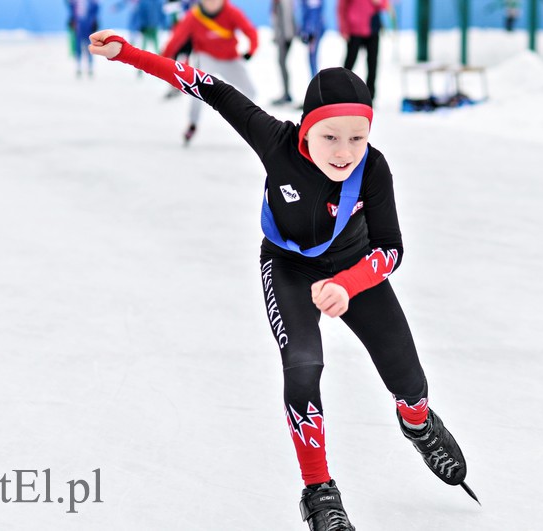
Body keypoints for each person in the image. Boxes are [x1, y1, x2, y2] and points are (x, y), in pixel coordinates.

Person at [89, 28, 476, 531]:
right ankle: (319, 492)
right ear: (306, 130)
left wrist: (348, 283)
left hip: (353, 268)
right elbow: (208, 86)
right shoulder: (274, 140)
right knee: (303, 365)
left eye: (357, 137)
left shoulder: (374, 170)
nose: (344, 152)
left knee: (407, 376)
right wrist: (129, 54)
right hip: (289, 267)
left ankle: (418, 423)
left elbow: (391, 248)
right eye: (330, 136)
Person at [159, 0, 258, 145]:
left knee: (251, 91)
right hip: (206, 58)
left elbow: (250, 31)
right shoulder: (193, 16)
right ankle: (192, 124)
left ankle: (249, 123)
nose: (211, 3)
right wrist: (162, 59)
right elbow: (177, 38)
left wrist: (251, 51)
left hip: (230, 58)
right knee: (197, 91)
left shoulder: (232, 12)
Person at [337, 0, 388, 100]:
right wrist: (343, 28)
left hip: (372, 28)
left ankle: (370, 96)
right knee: (349, 63)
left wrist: (379, 2)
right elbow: (342, 6)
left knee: (372, 64)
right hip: (354, 30)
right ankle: (342, 92)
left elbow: (384, 4)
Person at [271, 0, 297, 105]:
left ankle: (286, 94)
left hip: (285, 37)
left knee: (282, 63)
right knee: (281, 63)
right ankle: (286, 93)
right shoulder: (277, 3)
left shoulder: (284, 2)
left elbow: (287, 19)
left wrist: (287, 37)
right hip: (282, 37)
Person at [66, 0, 100, 77]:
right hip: (79, 24)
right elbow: (71, 8)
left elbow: (96, 8)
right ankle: (79, 66)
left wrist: (94, 21)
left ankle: (90, 67)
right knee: (78, 46)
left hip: (88, 24)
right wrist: (72, 19)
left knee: (90, 46)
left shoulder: (92, 2)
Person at [300, 0, 325, 79]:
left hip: (314, 30)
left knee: (313, 57)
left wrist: (310, 31)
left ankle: (315, 79)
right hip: (311, 30)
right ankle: (315, 79)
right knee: (312, 57)